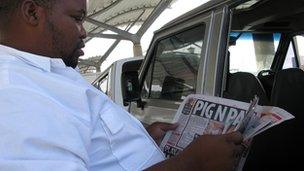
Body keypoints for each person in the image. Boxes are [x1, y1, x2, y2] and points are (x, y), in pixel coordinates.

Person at [0, 0, 244, 170]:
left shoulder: (48, 73)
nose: (84, 32)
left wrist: (144, 139)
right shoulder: (14, 93)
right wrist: (191, 165)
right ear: (32, 13)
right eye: (77, 18)